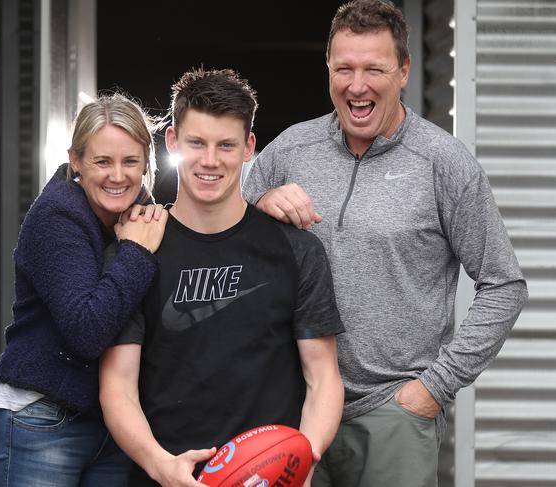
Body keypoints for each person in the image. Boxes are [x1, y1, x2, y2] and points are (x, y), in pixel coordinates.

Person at [242, 1, 529, 486]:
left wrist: (433, 388)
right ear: (328, 69)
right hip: (295, 408)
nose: (357, 85)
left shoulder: (443, 162)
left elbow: (504, 285)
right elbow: (220, 233)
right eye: (343, 69)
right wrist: (260, 202)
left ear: (403, 71)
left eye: (374, 69)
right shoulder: (290, 149)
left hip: (392, 413)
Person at [99, 68, 345, 487]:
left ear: (249, 147)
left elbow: (323, 378)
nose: (210, 161)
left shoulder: (296, 249)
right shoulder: (136, 252)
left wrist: (304, 458)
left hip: (270, 478)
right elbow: (117, 386)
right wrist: (162, 467)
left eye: (226, 145)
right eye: (196, 143)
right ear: (173, 142)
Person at [0, 93, 169, 486]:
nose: (117, 175)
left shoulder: (141, 212)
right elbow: (87, 330)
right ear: (76, 160)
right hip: (42, 417)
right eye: (102, 161)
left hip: (111, 424)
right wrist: (135, 251)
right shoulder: (57, 215)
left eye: (130, 162)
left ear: (146, 163)